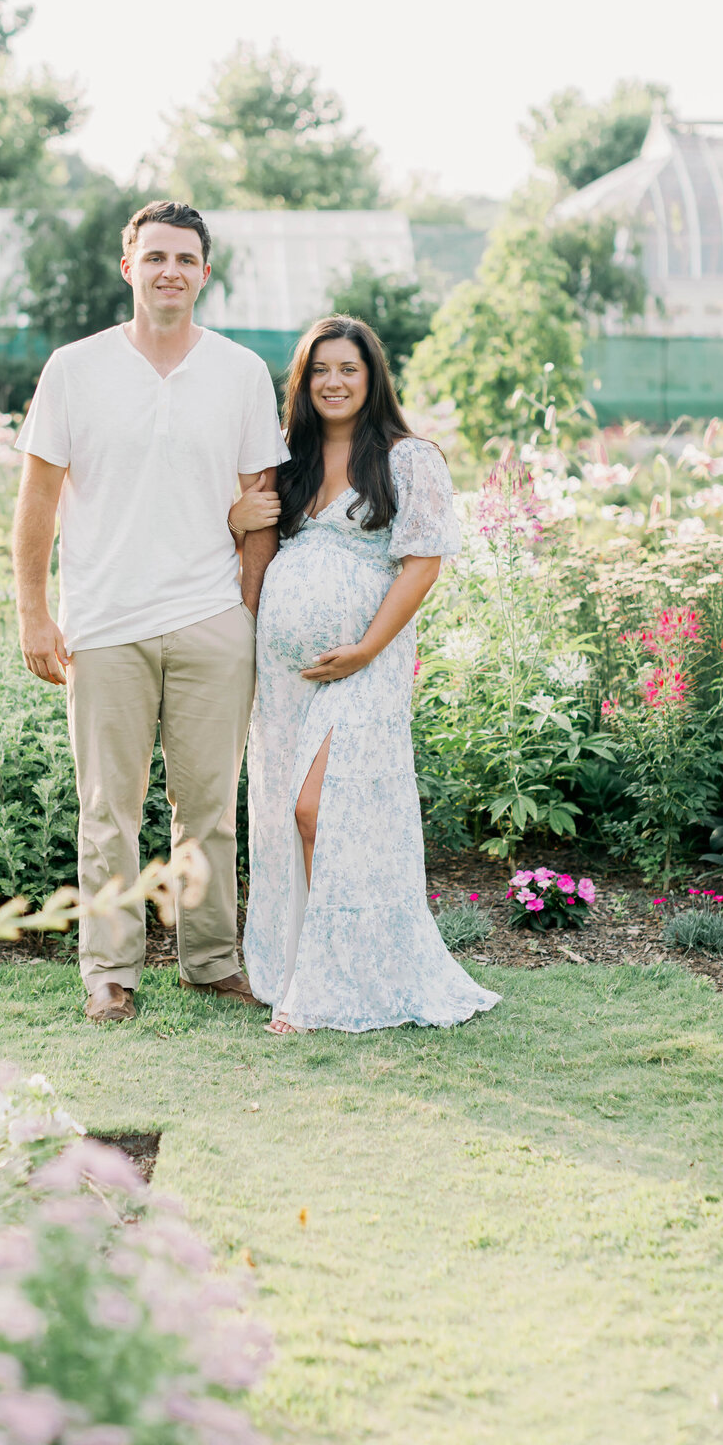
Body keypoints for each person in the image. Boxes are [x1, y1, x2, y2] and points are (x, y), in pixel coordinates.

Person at [12, 199, 288, 1024]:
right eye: (155, 256)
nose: (171, 270)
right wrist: (33, 611)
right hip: (104, 624)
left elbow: (260, 503)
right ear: (128, 267)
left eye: (186, 259)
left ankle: (211, 962)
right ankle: (110, 972)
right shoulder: (75, 368)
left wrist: (244, 615)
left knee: (209, 808)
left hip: (210, 618)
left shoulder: (239, 372)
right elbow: (38, 499)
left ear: (205, 273)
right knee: (108, 814)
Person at [238, 315, 500, 1034]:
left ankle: (331, 981)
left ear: (372, 376)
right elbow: (248, 538)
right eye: (320, 369)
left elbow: (422, 564)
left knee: (322, 809)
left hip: (367, 664)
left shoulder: (408, 459)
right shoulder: (289, 461)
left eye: (347, 369)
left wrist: (364, 649)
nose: (333, 382)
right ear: (304, 381)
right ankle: (304, 968)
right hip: (286, 675)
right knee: (283, 816)